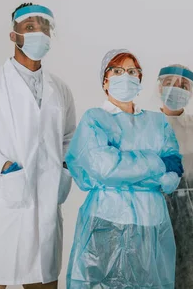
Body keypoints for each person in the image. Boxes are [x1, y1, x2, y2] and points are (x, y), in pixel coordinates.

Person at [0, 3, 76, 289]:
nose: (39, 34)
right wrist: (3, 166)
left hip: (46, 207)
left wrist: (65, 168)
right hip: (5, 206)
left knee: (43, 282)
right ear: (14, 35)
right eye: (30, 27)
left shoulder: (60, 89)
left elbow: (70, 138)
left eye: (44, 28)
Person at [65, 49, 184, 289]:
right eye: (117, 71)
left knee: (152, 284)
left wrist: (127, 166)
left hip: (152, 222)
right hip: (107, 221)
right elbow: (105, 168)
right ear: (105, 80)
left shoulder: (157, 121)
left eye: (132, 71)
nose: (125, 76)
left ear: (139, 79)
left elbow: (173, 176)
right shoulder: (95, 118)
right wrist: (156, 164)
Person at [158, 64, 193, 289]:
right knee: (158, 271)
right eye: (170, 83)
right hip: (157, 207)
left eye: (183, 85)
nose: (176, 89)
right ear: (159, 86)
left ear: (191, 92)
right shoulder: (148, 123)